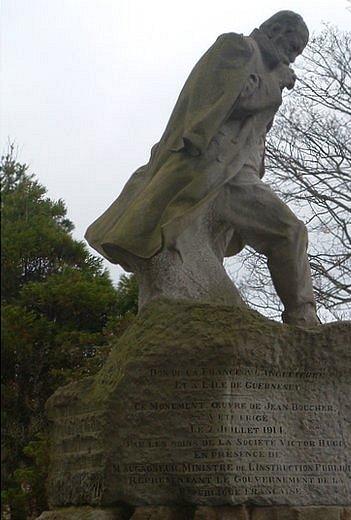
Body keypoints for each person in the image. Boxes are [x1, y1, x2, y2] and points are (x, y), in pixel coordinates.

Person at [85, 10, 319, 326]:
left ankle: (184, 318)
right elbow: (235, 98)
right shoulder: (237, 47)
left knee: (205, 270)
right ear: (275, 30)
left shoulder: (264, 66)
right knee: (288, 231)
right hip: (220, 171)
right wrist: (274, 83)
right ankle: (303, 318)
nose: (292, 58)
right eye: (292, 47)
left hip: (234, 171)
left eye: (296, 53)